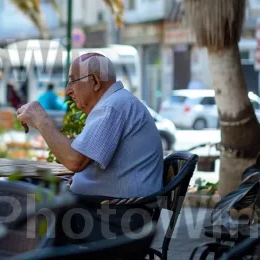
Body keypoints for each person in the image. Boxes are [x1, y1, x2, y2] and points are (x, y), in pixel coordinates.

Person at [16, 53, 163, 243]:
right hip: (109, 212)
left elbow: (74, 160)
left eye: (72, 81)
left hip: (115, 220)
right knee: (28, 189)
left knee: (22, 205)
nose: (68, 90)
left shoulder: (113, 107)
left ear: (94, 81)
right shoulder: (116, 103)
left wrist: (40, 119)